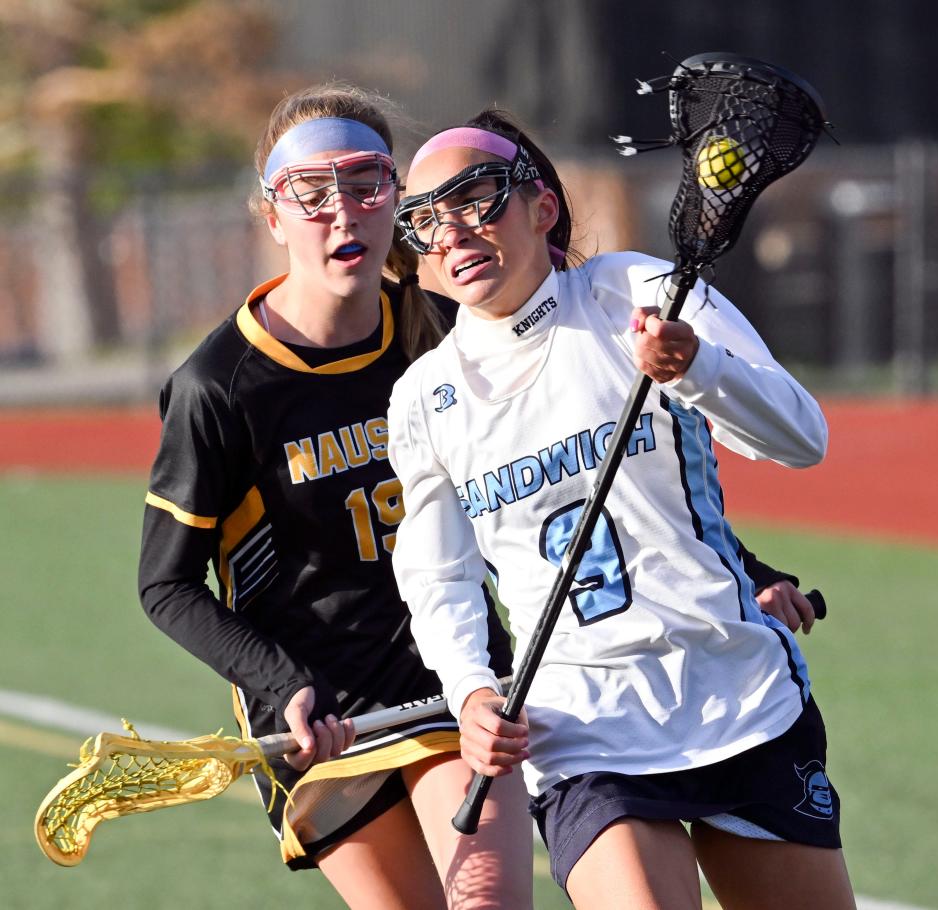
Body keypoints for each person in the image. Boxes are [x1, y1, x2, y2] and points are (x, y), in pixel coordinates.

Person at [387, 110, 857, 909]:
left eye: (479, 201)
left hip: (735, 691)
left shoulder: (636, 293)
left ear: (541, 208)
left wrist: (696, 367)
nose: (457, 232)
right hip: (583, 725)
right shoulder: (423, 400)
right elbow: (437, 576)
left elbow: (801, 436)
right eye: (427, 220)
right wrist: (469, 689)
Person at [137, 84, 533, 910]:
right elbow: (166, 585)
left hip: (448, 675)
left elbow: (571, 455)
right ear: (272, 216)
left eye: (364, 185)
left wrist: (740, 563)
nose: (341, 212)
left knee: (487, 901)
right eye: (310, 194)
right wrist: (282, 683)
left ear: (399, 199)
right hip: (320, 715)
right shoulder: (219, 388)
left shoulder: (442, 327)